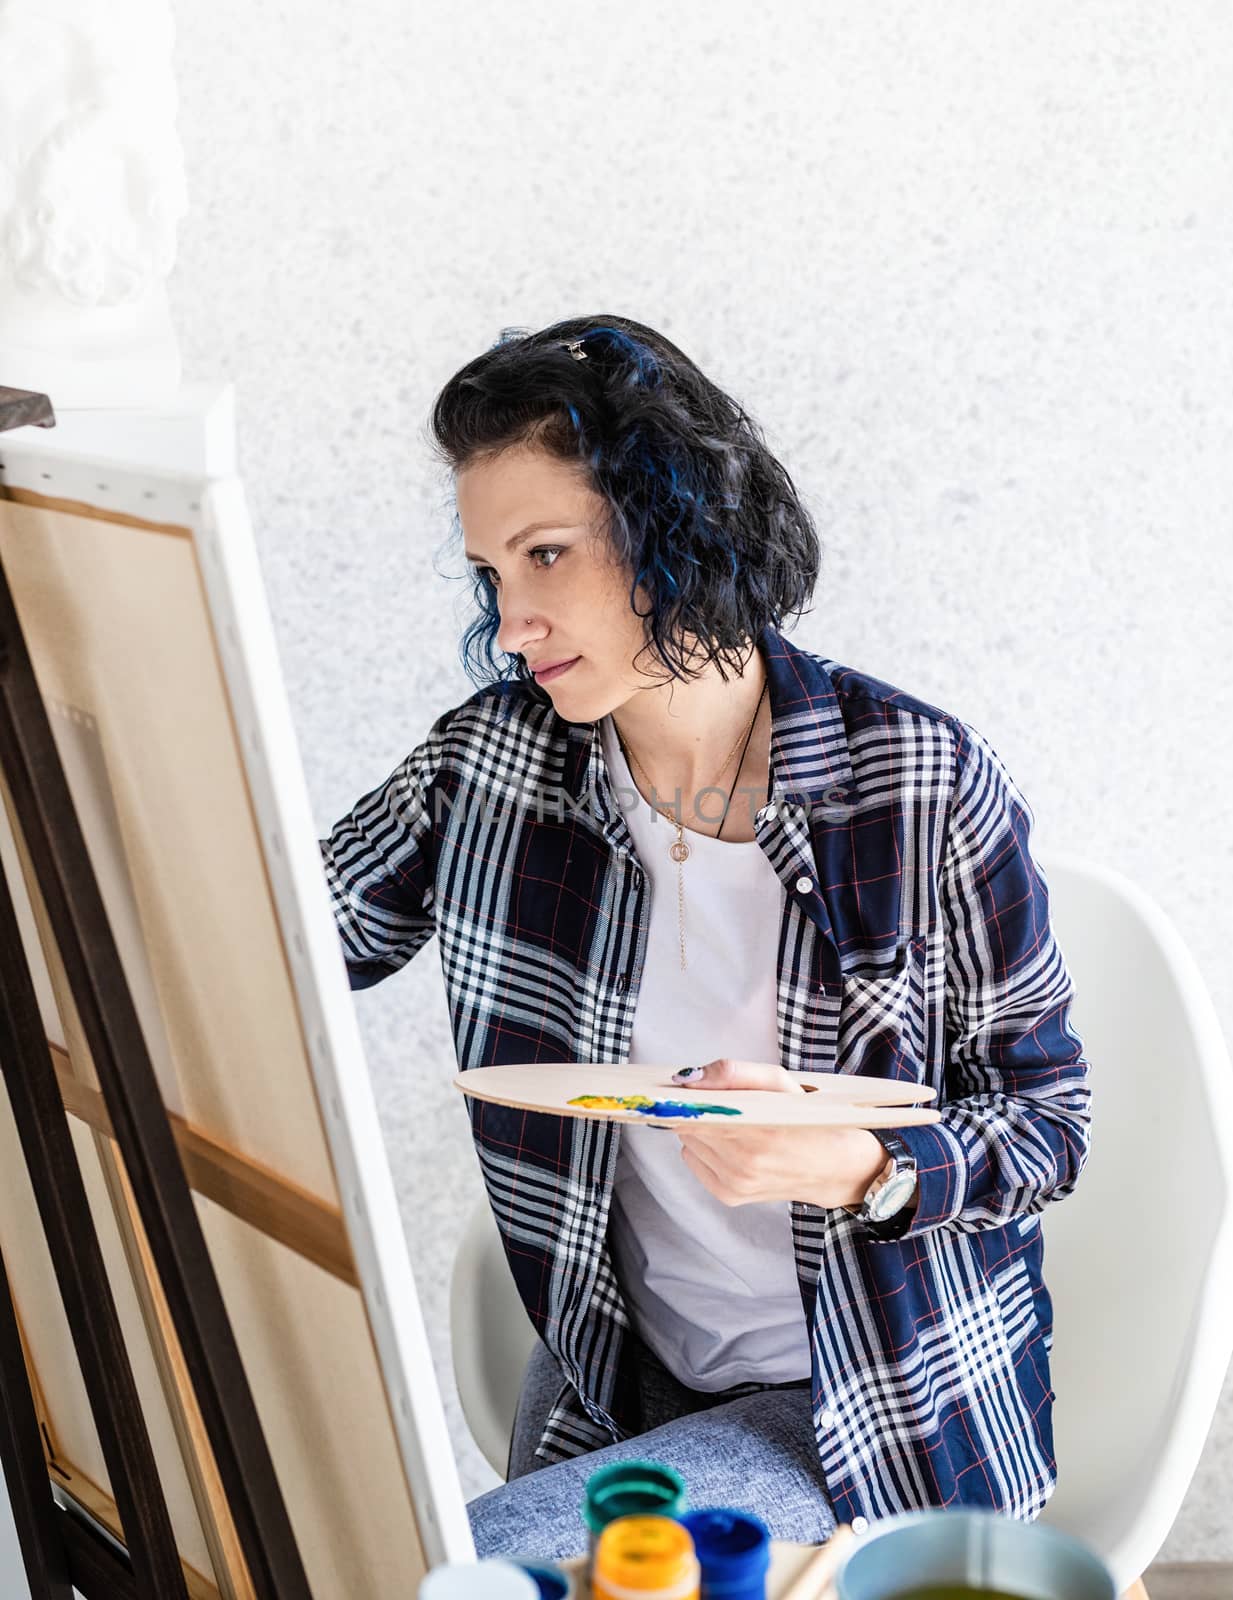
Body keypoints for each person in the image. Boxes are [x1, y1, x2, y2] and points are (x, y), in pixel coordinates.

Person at [318, 315, 1092, 1561]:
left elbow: (1050, 1123)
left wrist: (858, 1165)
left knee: (449, 1574)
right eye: (491, 575)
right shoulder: (490, 766)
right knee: (351, 1531)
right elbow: (278, 944)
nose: (513, 623)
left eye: (548, 555)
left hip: (872, 1408)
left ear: (675, 528)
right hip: (621, 1374)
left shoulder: (917, 784)